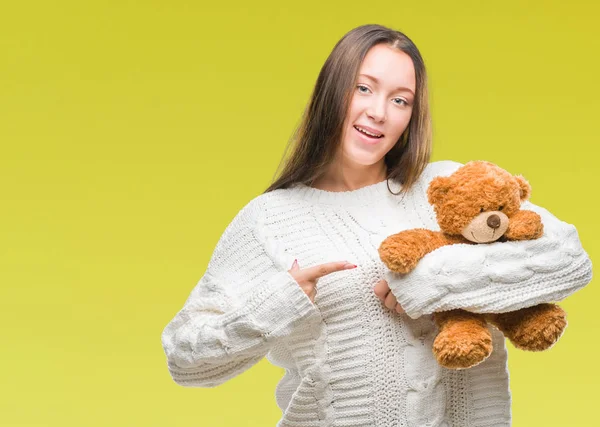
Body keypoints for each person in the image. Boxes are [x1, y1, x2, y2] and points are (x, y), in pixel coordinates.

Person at [161, 24, 592, 426]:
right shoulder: (270, 218)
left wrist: (429, 284)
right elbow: (185, 360)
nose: (379, 112)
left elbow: (571, 261)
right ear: (332, 92)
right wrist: (279, 301)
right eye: (363, 88)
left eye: (400, 100)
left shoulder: (447, 187)